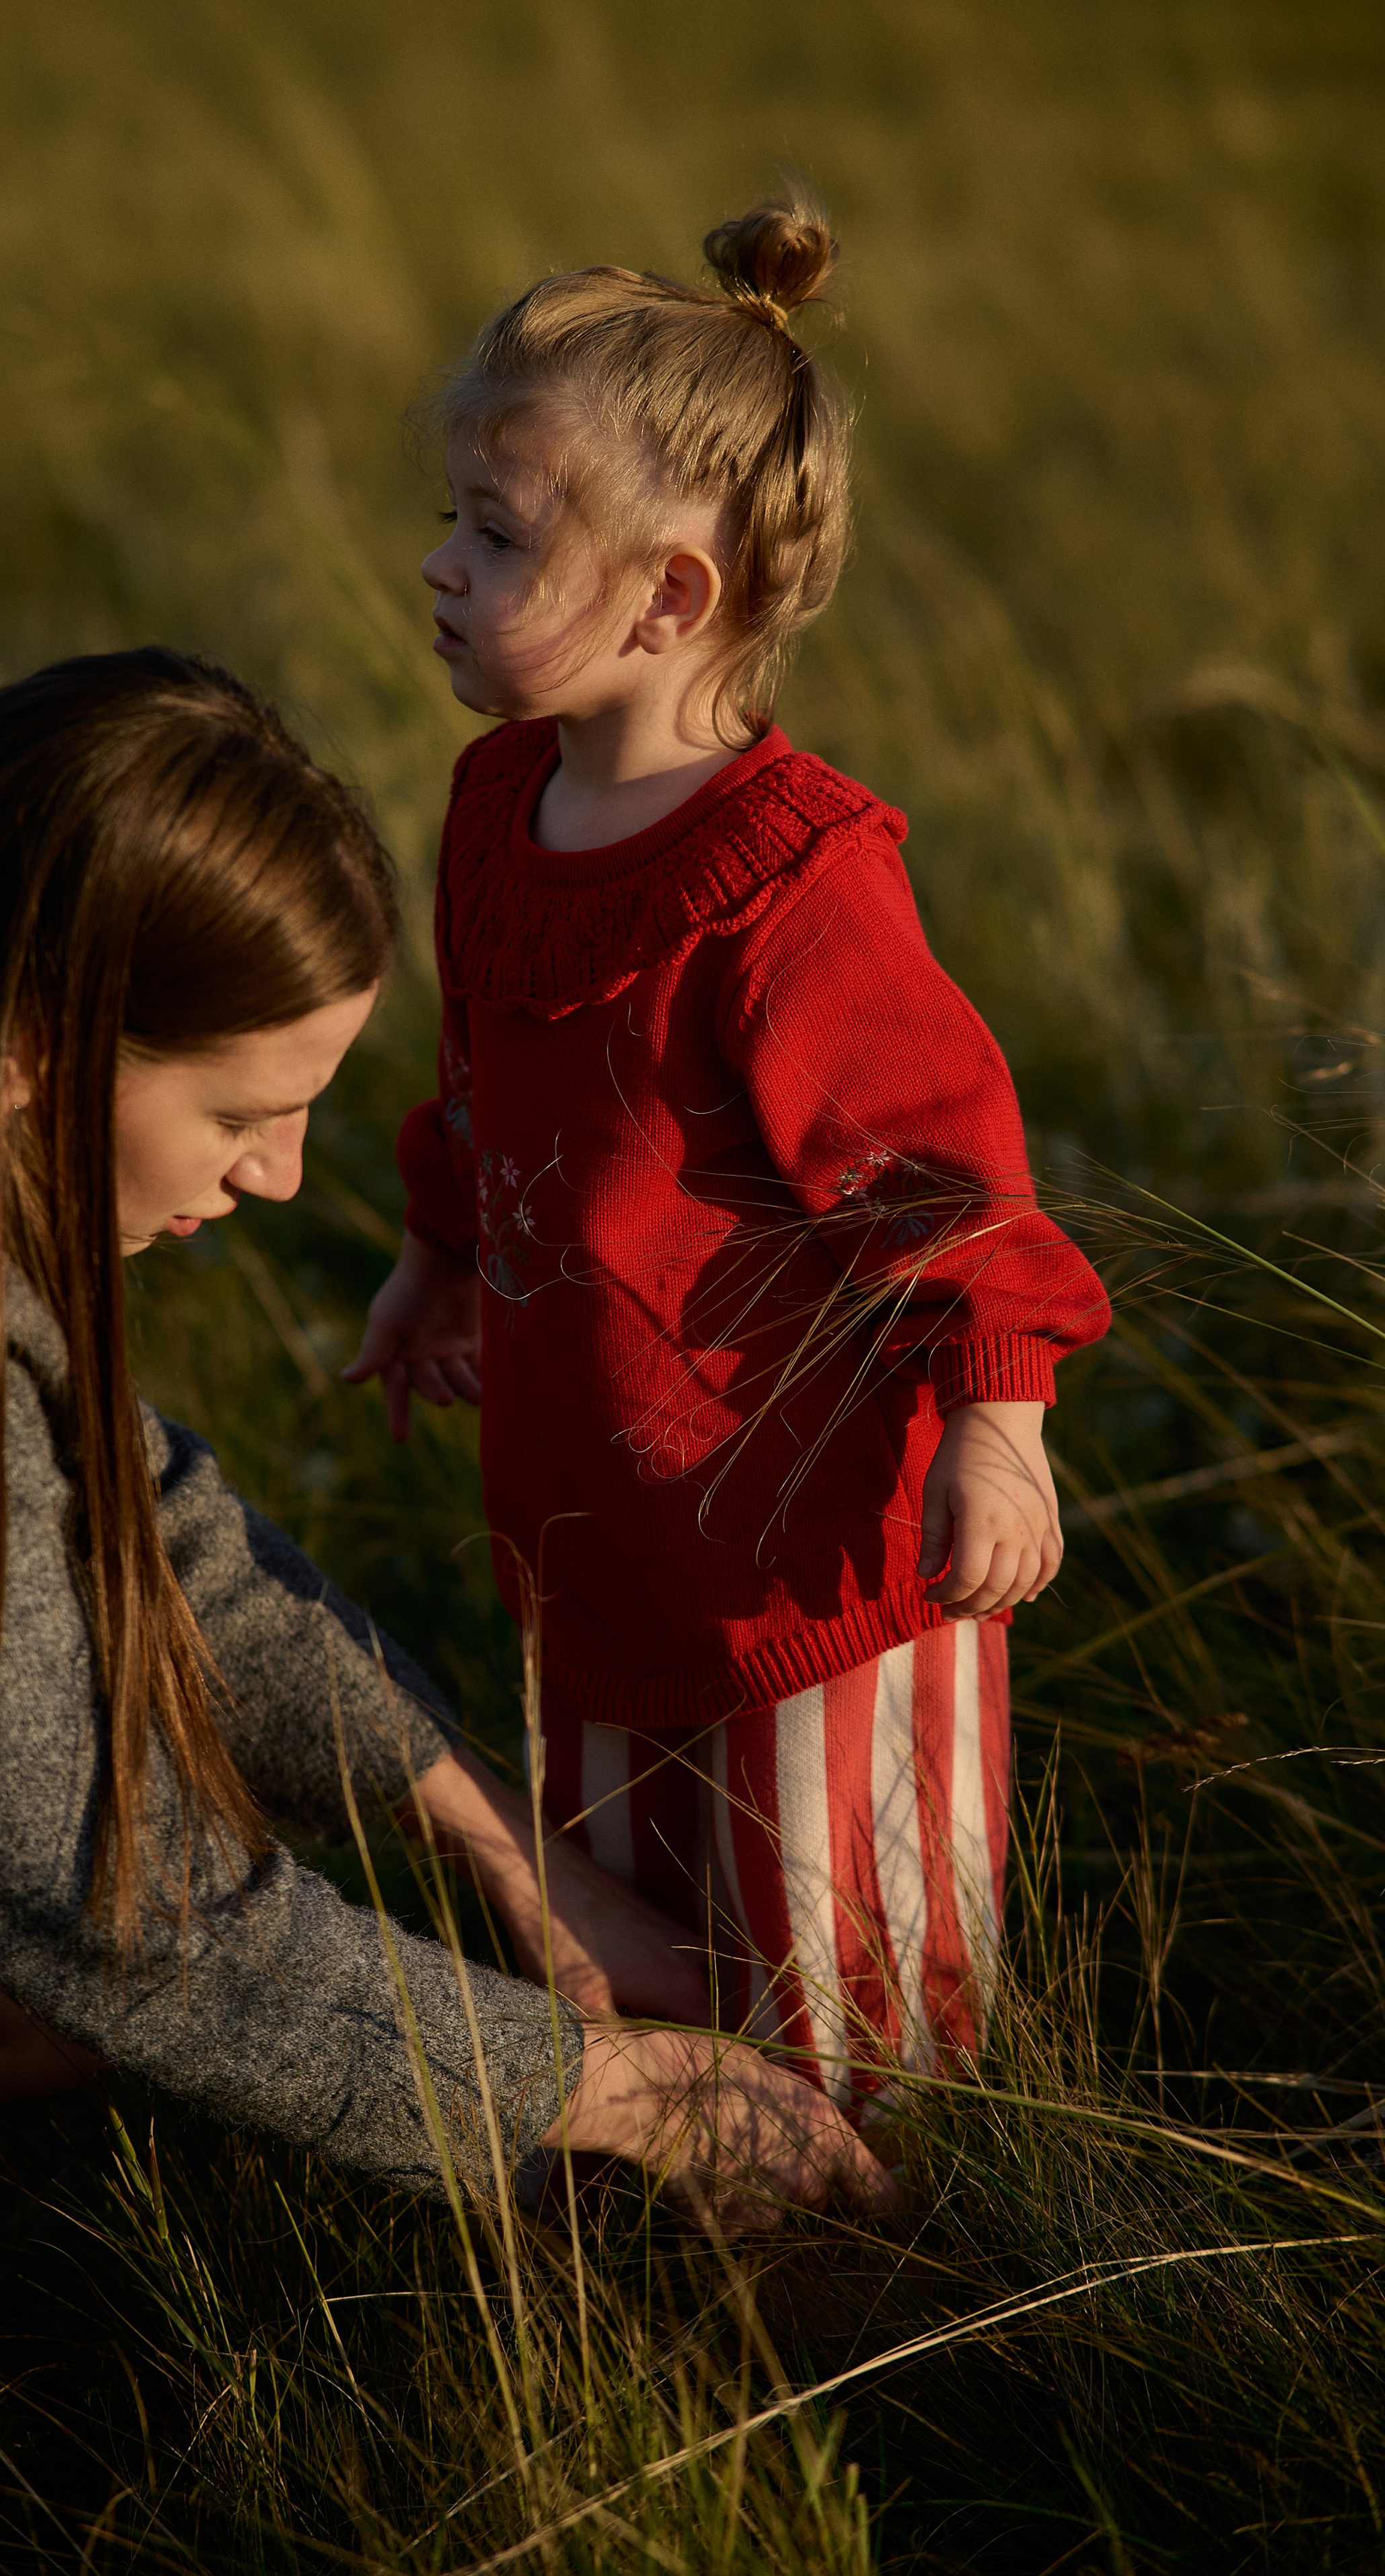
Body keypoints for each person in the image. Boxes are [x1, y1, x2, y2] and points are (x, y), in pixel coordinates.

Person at [0, 649, 893, 2437]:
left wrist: (493, 1837)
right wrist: (612, 2095)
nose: (286, 1177)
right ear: (37, 1050)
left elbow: (127, 1515)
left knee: (12, 1884)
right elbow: (110, 1897)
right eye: (243, 1114)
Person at [345, 196, 1111, 2117]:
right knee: (645, 1941)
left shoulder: (789, 880)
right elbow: (490, 1076)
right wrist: (441, 1256)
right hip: (602, 1541)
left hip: (809, 1583)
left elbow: (941, 1173)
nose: (436, 566)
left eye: (497, 536)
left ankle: (888, 2261)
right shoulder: (500, 801)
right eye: (454, 515)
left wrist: (1000, 1425)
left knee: (849, 1990)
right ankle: (693, 2213)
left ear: (674, 597)